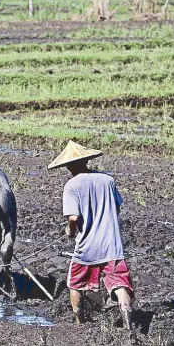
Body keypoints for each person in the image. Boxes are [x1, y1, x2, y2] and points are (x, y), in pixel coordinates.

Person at [47, 140, 134, 330]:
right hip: (113, 244)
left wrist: (70, 231)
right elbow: (117, 208)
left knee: (75, 284)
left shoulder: (71, 186)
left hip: (88, 246)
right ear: (86, 160)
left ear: (69, 165)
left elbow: (73, 217)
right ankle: (128, 325)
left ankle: (80, 323)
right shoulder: (107, 180)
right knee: (120, 283)